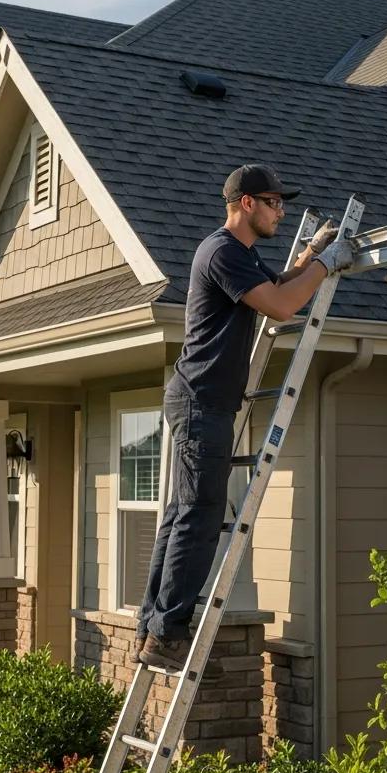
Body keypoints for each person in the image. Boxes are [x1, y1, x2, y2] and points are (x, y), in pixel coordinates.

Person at [134, 163, 358, 674]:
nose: (282, 211)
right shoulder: (221, 251)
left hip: (200, 399)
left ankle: (154, 625)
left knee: (181, 515)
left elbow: (277, 283)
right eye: (275, 202)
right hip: (201, 402)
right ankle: (166, 631)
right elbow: (280, 306)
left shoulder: (238, 255)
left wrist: (312, 256)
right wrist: (329, 265)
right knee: (199, 516)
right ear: (247, 203)